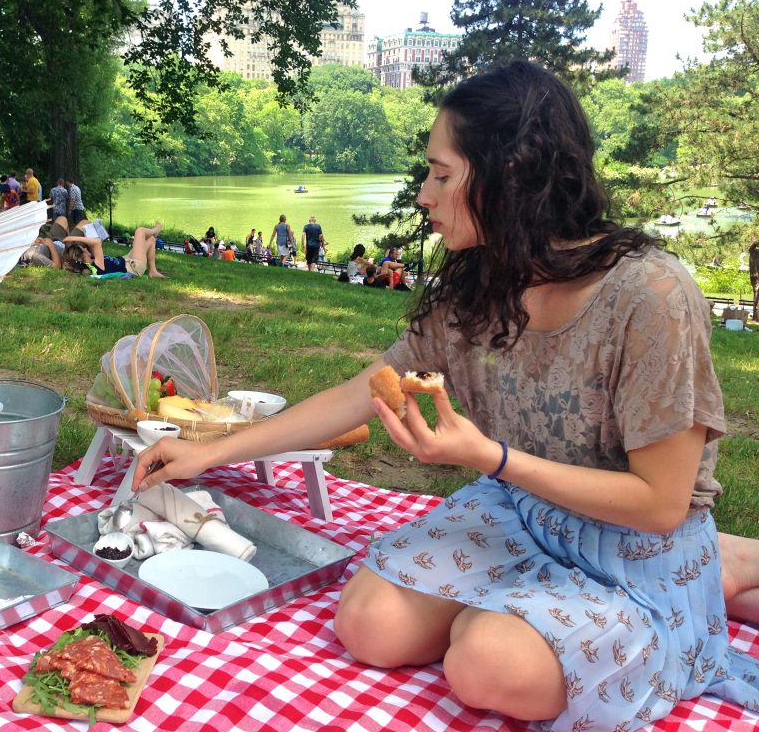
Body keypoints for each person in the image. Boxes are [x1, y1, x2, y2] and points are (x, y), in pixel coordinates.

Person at [130, 60, 759, 731]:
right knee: (369, 625)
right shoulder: (480, 284)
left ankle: (706, 576)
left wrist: (491, 457)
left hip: (633, 545)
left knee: (485, 665)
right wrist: (214, 451)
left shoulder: (649, 297)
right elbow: (364, 393)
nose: (425, 194)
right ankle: (573, 596)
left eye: (441, 173)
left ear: (509, 173)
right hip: (522, 513)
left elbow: (660, 504)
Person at [62, 222, 168, 278]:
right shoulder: (96, 265)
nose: (85, 248)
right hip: (134, 267)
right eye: (83, 248)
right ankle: (156, 230)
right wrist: (72, 238)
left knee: (150, 239)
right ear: (82, 255)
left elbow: (97, 242)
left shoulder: (94, 260)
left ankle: (153, 271)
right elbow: (97, 242)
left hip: (127, 259)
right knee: (140, 231)